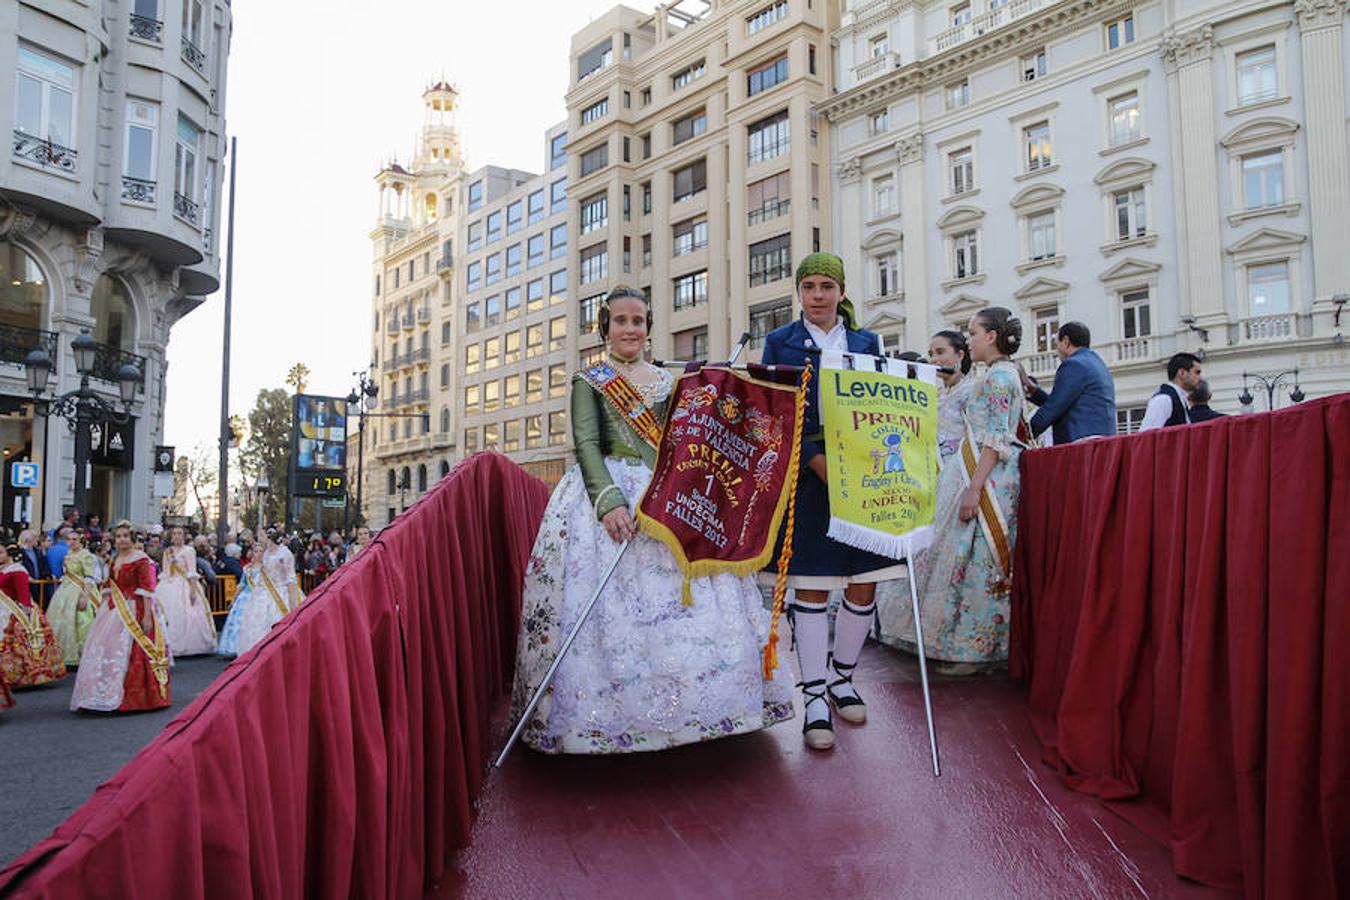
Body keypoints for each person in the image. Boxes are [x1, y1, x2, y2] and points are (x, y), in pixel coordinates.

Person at [511, 285, 792, 755]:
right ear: (606, 328)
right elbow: (587, 446)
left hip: (668, 496)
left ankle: (699, 713)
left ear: (648, 327)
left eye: (637, 321)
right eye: (620, 321)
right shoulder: (590, 380)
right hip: (609, 501)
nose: (629, 329)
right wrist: (609, 502)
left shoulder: (668, 380)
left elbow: (687, 436)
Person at [759, 253, 907, 751]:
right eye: (809, 286)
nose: (818, 295)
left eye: (826, 285)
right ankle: (815, 694)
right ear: (798, 292)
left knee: (863, 581)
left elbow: (882, 406)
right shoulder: (780, 342)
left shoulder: (869, 342)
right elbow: (775, 413)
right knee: (816, 583)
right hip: (809, 477)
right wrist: (818, 463)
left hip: (864, 476)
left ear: (841, 291)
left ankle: (845, 678)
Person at [911, 307, 1028, 674]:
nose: (970, 339)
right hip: (980, 471)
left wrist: (974, 489)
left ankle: (980, 650)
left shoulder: (997, 378)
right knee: (971, 560)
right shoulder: (1001, 374)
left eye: (973, 332)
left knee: (981, 563)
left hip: (988, 478)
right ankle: (972, 646)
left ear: (991, 336)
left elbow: (994, 440)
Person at [875, 329, 975, 651]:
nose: (935, 360)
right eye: (931, 354)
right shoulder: (937, 392)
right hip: (929, 478)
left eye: (941, 352)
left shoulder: (972, 390)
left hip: (957, 477)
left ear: (960, 354)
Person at [70, 521, 172, 712]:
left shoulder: (140, 559)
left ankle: (134, 696)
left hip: (135, 608)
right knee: (107, 649)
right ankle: (102, 692)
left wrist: (148, 617)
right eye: (118, 536)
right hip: (114, 610)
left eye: (125, 536)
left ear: (132, 538)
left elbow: (146, 589)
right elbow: (109, 586)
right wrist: (102, 608)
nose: (122, 539)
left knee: (132, 650)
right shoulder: (113, 560)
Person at [1022, 322, 1117, 444]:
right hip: (1102, 444)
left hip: (1081, 447)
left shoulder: (1073, 365)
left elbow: (1053, 408)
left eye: (1057, 345)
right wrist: (1033, 391)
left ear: (1066, 341)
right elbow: (1063, 404)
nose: (1057, 353)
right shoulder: (1097, 364)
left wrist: (1022, 436)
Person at [0, 542, 67, 688]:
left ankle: (20, 674)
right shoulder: (3, 569)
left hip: (14, 610)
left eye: (1, 553)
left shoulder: (18, 570)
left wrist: (26, 613)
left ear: (10, 555)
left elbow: (23, 593)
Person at [154, 526, 218, 657]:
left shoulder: (189, 551)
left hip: (185, 584)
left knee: (188, 614)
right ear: (171, 537)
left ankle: (191, 646)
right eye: (175, 534)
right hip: (169, 584)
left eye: (180, 533)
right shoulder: (167, 552)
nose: (177, 536)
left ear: (184, 536)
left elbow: (191, 571)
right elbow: (165, 571)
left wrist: (193, 590)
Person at [45, 529, 101, 666]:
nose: (71, 542)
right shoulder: (68, 554)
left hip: (81, 590)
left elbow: (88, 577)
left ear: (80, 540)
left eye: (75, 539)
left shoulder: (86, 555)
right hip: (66, 589)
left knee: (81, 621)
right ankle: (62, 654)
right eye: (69, 539)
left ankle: (80, 656)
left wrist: (85, 597)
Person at [217, 544, 262, 659]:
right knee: (238, 623)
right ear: (252, 553)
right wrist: (234, 599)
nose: (259, 554)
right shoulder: (247, 568)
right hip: (246, 596)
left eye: (261, 551)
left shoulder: (266, 568)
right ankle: (235, 647)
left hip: (260, 596)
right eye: (256, 551)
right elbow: (242, 584)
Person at [1140, 352, 1202, 431]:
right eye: (1197, 372)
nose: (1200, 378)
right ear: (1182, 373)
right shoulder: (1163, 400)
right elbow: (1146, 437)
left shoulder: (1180, 399)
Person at [17, 529, 51, 605]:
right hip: (26, 583)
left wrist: (47, 575)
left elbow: (43, 565)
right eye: (35, 538)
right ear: (28, 539)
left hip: (38, 583)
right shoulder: (19, 551)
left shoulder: (37, 551)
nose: (37, 540)